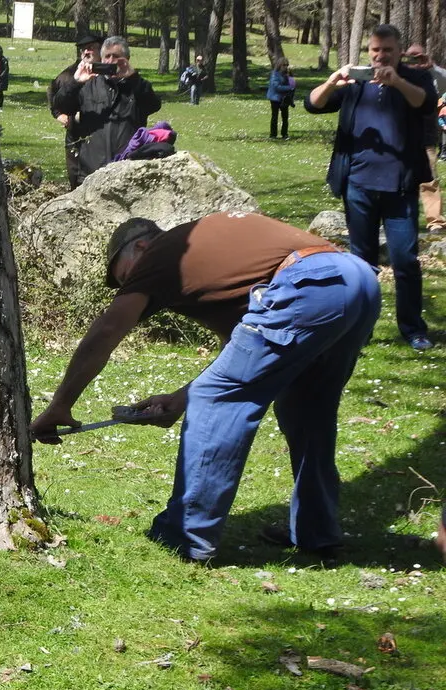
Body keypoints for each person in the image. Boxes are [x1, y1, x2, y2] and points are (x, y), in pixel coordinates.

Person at [30, 213, 380, 563]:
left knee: (216, 400)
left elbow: (107, 331)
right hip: (356, 280)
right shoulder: (218, 266)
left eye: (125, 276)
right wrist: (181, 399)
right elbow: (240, 354)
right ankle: (316, 532)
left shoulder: (165, 251)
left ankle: (185, 535)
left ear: (139, 247)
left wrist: (60, 405)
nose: (128, 286)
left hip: (308, 284)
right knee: (306, 410)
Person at [305, 24, 436, 351]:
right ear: (369, 51)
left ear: (399, 50)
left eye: (387, 50)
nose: (380, 56)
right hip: (358, 185)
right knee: (361, 263)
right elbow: (313, 103)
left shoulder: (413, 78)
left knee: (405, 260)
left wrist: (397, 82)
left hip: (399, 186)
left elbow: (426, 103)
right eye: (375, 50)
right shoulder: (356, 82)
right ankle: (359, 330)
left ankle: (413, 329)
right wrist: (333, 81)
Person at [52, 35, 162, 186]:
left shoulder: (136, 87)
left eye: (116, 57)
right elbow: (60, 106)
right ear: (101, 60)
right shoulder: (88, 86)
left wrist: (133, 77)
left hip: (126, 170)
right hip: (91, 172)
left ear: (126, 59)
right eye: (107, 57)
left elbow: (154, 104)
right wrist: (75, 82)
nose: (110, 61)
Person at [48, 33, 104, 190]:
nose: (86, 52)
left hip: (103, 137)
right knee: (77, 182)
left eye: (91, 48)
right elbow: (53, 95)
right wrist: (58, 114)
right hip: (77, 136)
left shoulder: (109, 73)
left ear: (101, 50)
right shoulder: (70, 74)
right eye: (83, 49)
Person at [403, 44, 446, 235]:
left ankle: (435, 221)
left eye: (417, 58)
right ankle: (394, 217)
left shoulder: (431, 76)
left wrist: (432, 66)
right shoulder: (397, 73)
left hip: (425, 136)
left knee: (429, 179)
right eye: (410, 57)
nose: (414, 61)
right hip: (397, 135)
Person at [267, 57, 293, 139]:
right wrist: (289, 88)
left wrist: (291, 78)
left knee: (285, 117)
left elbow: (293, 84)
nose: (285, 67)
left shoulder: (287, 75)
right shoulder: (275, 74)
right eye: (284, 65)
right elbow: (277, 87)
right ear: (279, 65)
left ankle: (284, 134)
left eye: (287, 65)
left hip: (284, 98)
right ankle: (273, 134)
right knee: (275, 116)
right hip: (275, 98)